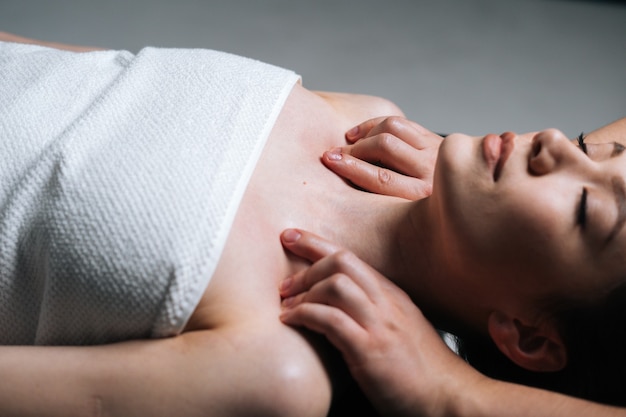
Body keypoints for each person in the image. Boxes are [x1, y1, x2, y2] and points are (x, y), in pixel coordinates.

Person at [0, 31, 625, 416]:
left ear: (529, 335)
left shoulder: (276, 368)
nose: (557, 145)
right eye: (601, 151)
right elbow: (88, 71)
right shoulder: (362, 118)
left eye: (585, 210)